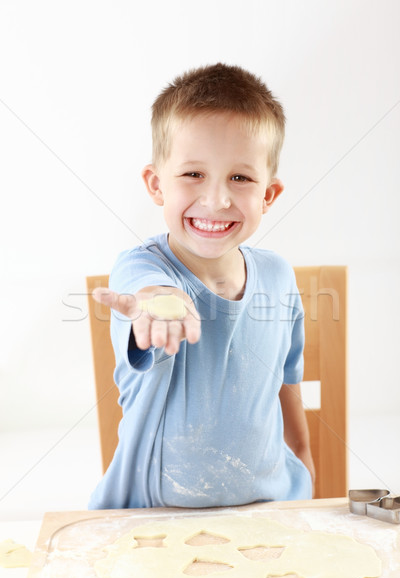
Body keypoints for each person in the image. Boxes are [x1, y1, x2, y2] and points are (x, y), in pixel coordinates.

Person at [88, 63, 315, 510]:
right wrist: (160, 305)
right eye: (193, 174)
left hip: (269, 509)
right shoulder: (141, 267)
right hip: (152, 518)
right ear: (157, 184)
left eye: (241, 177)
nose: (216, 200)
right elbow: (149, 291)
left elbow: (286, 378)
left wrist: (304, 457)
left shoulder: (278, 275)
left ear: (268, 194)